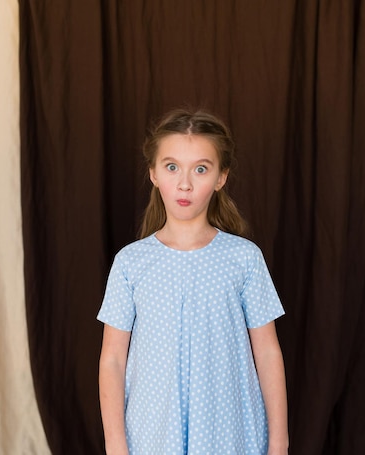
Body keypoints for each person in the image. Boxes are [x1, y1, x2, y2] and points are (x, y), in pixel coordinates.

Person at [97, 108, 288, 454]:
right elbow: (112, 358)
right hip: (152, 431)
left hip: (229, 430)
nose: (185, 183)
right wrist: (115, 444)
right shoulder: (131, 263)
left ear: (221, 177)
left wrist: (279, 442)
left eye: (201, 169)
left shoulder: (244, 258)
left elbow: (268, 350)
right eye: (172, 167)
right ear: (154, 173)